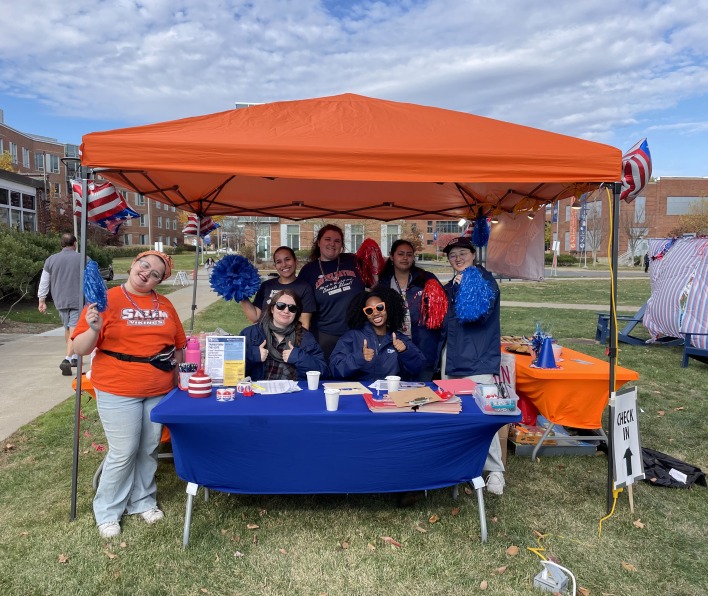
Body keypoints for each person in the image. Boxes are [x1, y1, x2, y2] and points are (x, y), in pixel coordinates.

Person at [72, 251, 186, 539]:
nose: (147, 273)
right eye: (145, 265)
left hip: (158, 388)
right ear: (134, 264)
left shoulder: (166, 305)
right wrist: (94, 328)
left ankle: (142, 500)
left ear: (160, 281)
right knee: (123, 452)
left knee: (148, 449)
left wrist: (177, 376)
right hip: (117, 387)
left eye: (156, 273)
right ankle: (108, 510)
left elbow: (179, 345)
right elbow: (81, 348)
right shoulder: (105, 299)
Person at [439, 236, 506, 496]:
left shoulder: (483, 282)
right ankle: (466, 467)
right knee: (457, 415)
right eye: (452, 254)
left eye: (462, 253)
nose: (457, 257)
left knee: (485, 416)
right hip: (452, 359)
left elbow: (477, 315)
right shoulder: (451, 287)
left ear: (473, 254)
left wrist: (463, 286)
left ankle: (495, 472)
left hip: (477, 361)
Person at [377, 239, 446, 381]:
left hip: (424, 347)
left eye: (409, 254)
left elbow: (441, 310)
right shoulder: (383, 282)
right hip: (395, 349)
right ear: (392, 256)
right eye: (400, 254)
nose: (405, 258)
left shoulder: (427, 279)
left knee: (422, 395)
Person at [297, 225, 366, 359]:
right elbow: (301, 305)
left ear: (341, 245)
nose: (332, 244)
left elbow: (374, 280)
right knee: (326, 376)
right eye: (327, 239)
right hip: (324, 335)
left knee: (353, 375)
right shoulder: (309, 270)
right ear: (318, 242)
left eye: (337, 241)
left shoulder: (354, 262)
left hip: (356, 332)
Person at [329, 287, 426, 382]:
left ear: (387, 308)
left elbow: (420, 368)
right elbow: (335, 369)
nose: (375, 313)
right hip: (361, 393)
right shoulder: (352, 337)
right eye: (369, 310)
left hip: (391, 394)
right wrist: (359, 357)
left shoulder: (400, 339)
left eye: (379, 307)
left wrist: (405, 351)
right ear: (365, 314)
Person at [241, 289, 327, 381]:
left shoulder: (306, 337)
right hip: (259, 392)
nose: (286, 311)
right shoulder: (250, 333)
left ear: (296, 313)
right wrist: (253, 356)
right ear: (272, 309)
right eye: (280, 306)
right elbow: (229, 370)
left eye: (292, 308)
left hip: (293, 393)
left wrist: (299, 357)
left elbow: (323, 372)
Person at [37, 232, 82, 376]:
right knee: (75, 331)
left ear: (61, 244)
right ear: (75, 244)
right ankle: (67, 359)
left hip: (60, 300)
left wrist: (41, 300)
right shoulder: (83, 258)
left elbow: (44, 281)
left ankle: (74, 357)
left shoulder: (51, 260)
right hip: (78, 300)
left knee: (68, 329)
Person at [240, 246, 316, 329]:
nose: (284, 264)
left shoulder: (304, 288)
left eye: (287, 259)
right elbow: (255, 317)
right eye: (279, 262)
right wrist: (240, 293)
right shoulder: (266, 285)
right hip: (264, 338)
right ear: (275, 266)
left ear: (295, 261)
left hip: (288, 339)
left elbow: (304, 325)